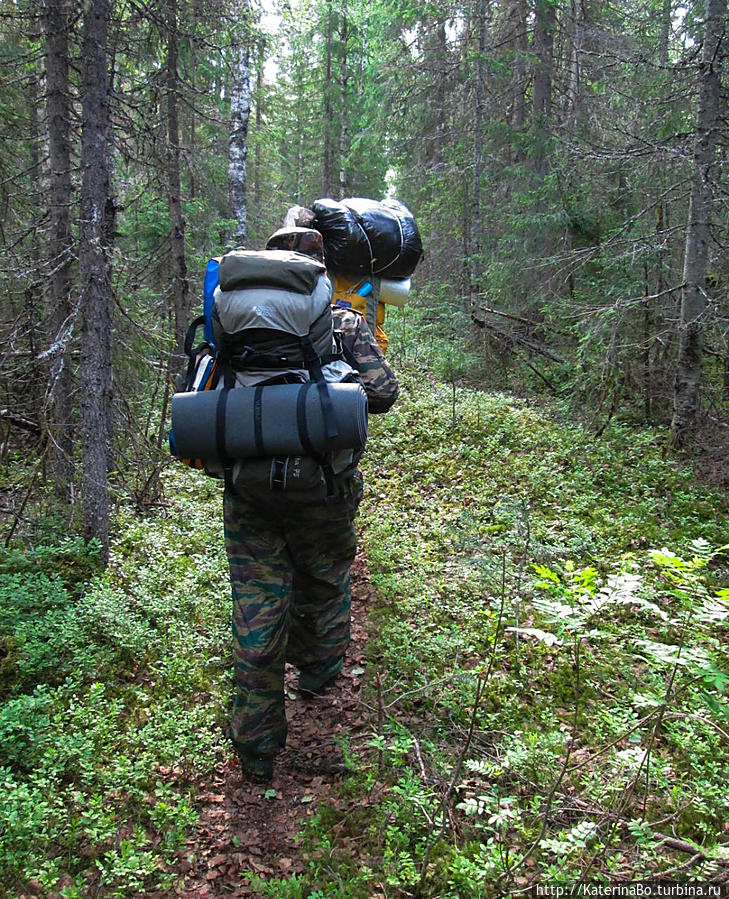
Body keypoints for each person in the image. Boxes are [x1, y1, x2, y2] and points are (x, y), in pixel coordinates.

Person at [224, 227, 398, 783]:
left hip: (248, 487)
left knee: (257, 604)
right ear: (321, 266)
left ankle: (256, 748)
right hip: (324, 485)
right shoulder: (344, 320)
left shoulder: (234, 318)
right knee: (323, 577)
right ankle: (318, 676)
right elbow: (384, 393)